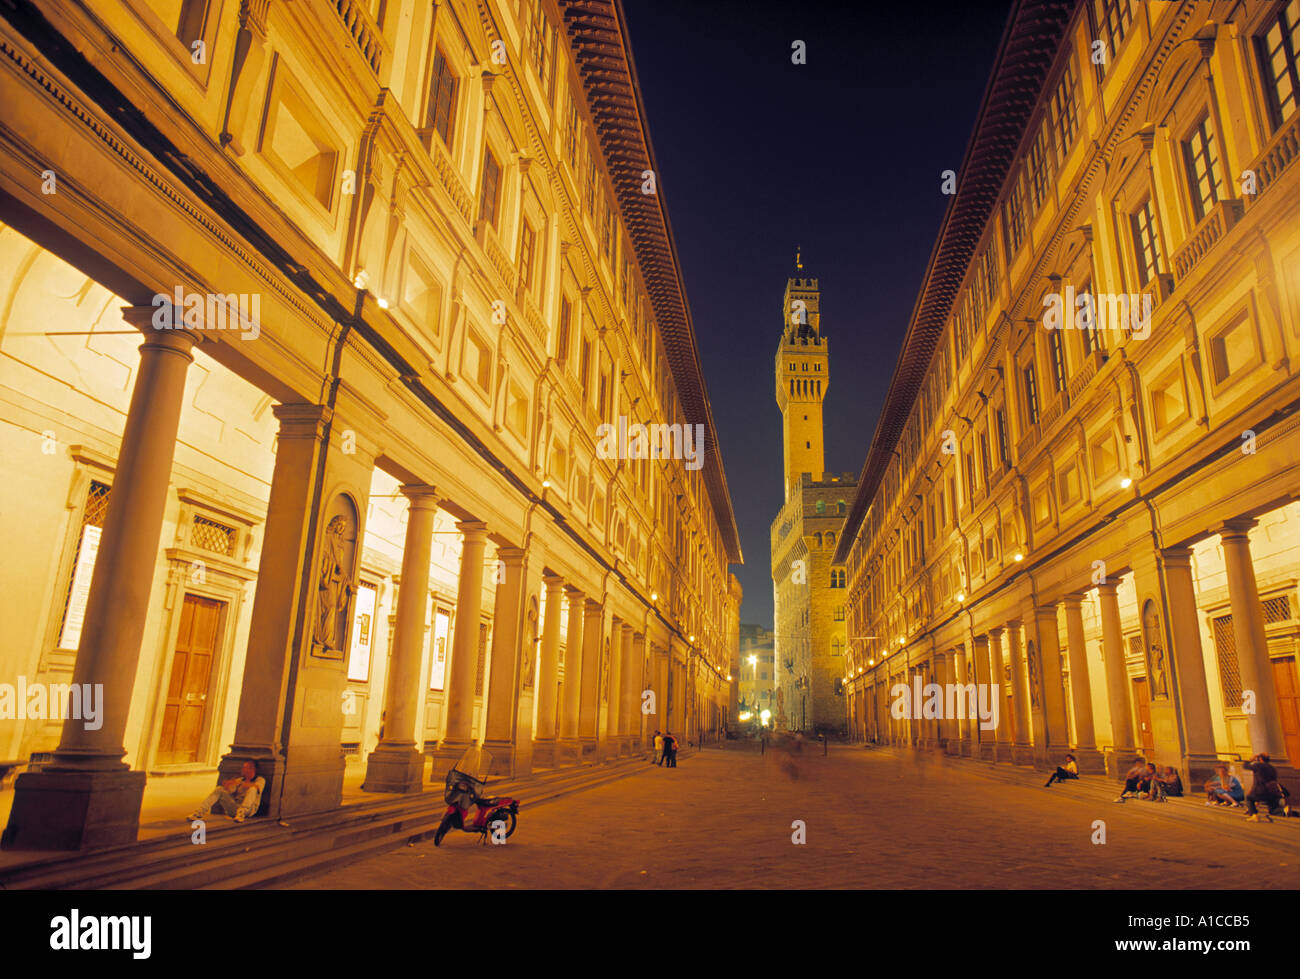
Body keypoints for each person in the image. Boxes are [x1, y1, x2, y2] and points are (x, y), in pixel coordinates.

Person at [188, 760, 264, 823]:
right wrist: (227, 785)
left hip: (248, 811)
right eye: (243, 767)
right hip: (235, 809)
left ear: (252, 769)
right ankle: (199, 813)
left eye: (245, 767)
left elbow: (256, 787)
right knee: (219, 789)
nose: (243, 769)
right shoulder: (240, 779)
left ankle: (241, 813)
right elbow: (231, 791)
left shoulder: (260, 779)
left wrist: (241, 783)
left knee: (252, 789)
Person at [1243, 752, 1291, 822]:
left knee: (1249, 798)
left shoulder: (1258, 765)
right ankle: (1283, 811)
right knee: (1273, 810)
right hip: (1272, 791)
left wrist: (1251, 759)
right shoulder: (1272, 768)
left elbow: (1245, 766)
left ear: (1260, 759)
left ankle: (1254, 815)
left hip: (1260, 791)